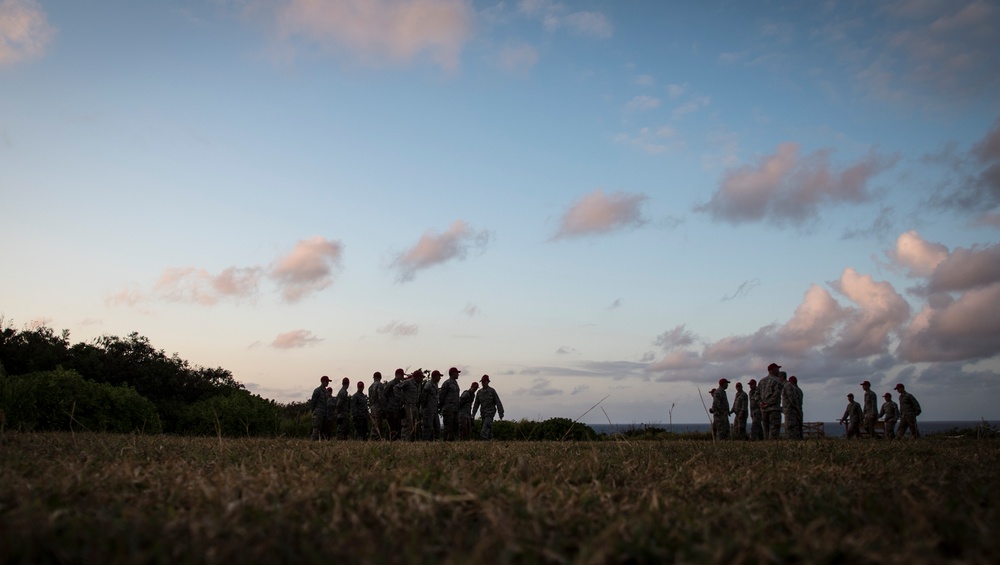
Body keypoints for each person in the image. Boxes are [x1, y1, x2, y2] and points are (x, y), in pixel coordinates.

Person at [472, 375, 504, 440]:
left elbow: (498, 402)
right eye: (482, 382)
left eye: (484, 382)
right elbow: (476, 404)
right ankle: (490, 442)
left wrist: (501, 412)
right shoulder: (479, 392)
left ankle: (483, 441)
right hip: (483, 414)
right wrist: (473, 414)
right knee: (488, 429)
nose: (482, 383)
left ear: (487, 382)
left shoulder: (492, 391)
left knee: (484, 430)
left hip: (490, 413)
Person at [758, 363, 783, 439]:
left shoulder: (761, 381)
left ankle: (766, 446)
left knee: (766, 430)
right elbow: (776, 394)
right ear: (773, 370)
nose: (779, 371)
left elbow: (756, 395)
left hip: (764, 410)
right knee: (774, 430)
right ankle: (773, 447)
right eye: (777, 369)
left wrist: (761, 403)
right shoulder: (777, 381)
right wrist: (768, 403)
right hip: (774, 409)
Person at [399, 369, 423, 441]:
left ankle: (413, 440)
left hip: (414, 406)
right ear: (417, 377)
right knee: (407, 424)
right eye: (421, 377)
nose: (422, 379)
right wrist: (401, 399)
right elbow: (396, 388)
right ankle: (405, 440)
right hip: (408, 406)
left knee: (415, 424)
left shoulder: (418, 385)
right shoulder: (408, 382)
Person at [439, 367, 461, 441]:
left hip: (455, 409)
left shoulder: (455, 383)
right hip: (448, 409)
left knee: (455, 426)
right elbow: (442, 396)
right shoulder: (447, 383)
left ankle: (453, 441)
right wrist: (442, 407)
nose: (458, 374)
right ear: (452, 374)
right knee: (448, 426)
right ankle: (446, 441)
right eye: (456, 373)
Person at [420, 370, 442, 441]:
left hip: (434, 411)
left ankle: (435, 441)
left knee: (437, 427)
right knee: (427, 428)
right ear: (435, 376)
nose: (440, 378)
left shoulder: (435, 385)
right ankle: (425, 442)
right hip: (428, 411)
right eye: (439, 376)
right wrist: (424, 409)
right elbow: (423, 398)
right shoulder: (428, 385)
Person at [384, 369, 405, 440]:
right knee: (391, 427)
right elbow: (385, 394)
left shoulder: (401, 384)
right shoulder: (391, 384)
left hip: (397, 409)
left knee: (398, 427)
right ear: (397, 374)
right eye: (401, 375)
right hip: (391, 409)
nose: (402, 376)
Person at [310, 375, 331, 441]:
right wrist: (313, 411)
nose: (328, 383)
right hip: (318, 413)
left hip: (324, 414)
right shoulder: (317, 391)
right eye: (327, 381)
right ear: (323, 381)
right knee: (316, 429)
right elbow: (313, 402)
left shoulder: (326, 391)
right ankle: (313, 443)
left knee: (323, 431)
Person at [368, 372, 385, 440]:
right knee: (378, 425)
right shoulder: (379, 385)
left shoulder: (370, 387)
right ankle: (375, 438)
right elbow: (381, 397)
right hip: (378, 407)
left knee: (374, 424)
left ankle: (373, 438)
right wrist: (384, 407)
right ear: (380, 377)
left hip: (372, 407)